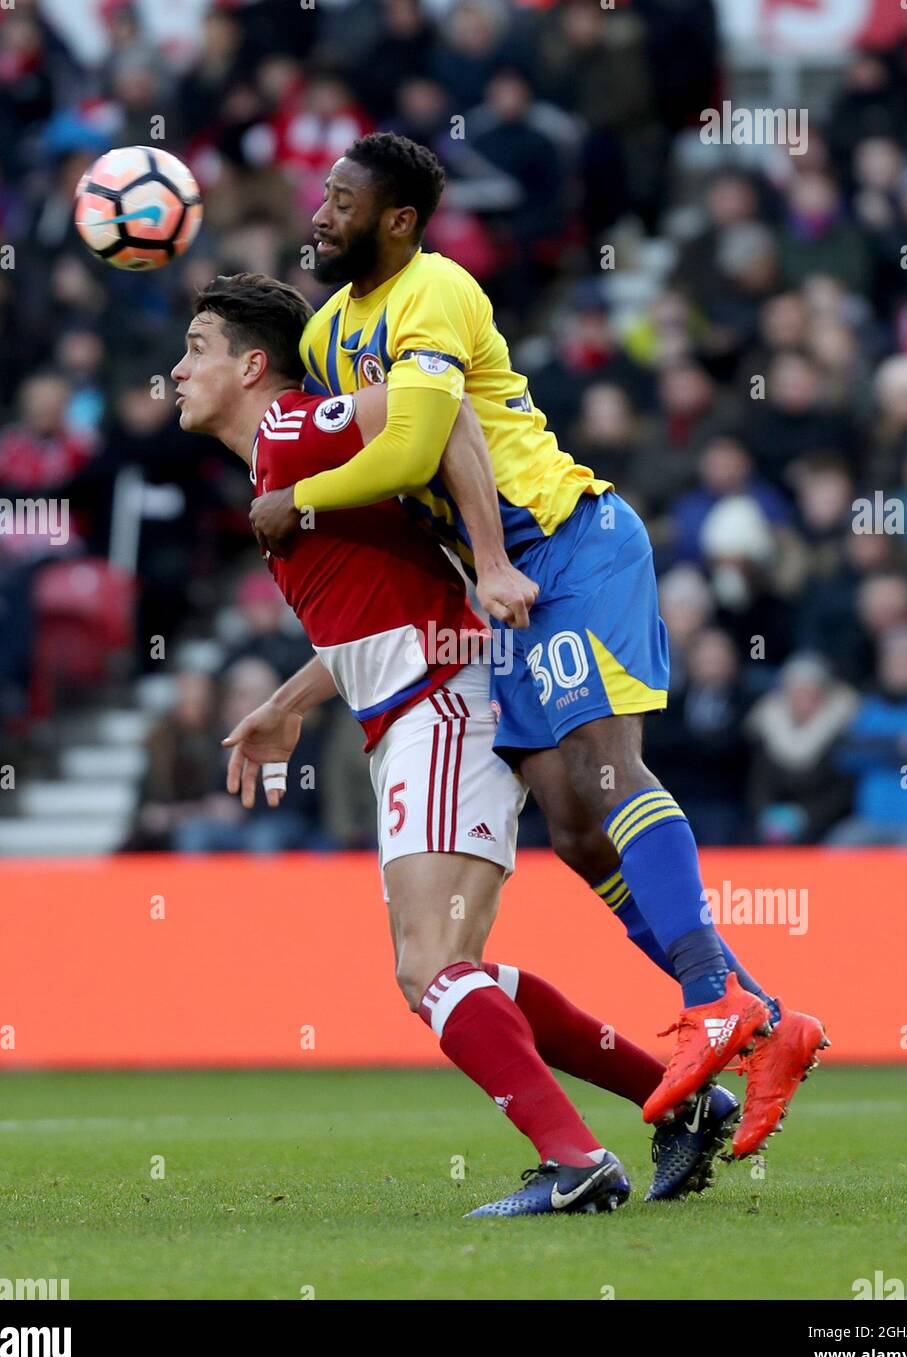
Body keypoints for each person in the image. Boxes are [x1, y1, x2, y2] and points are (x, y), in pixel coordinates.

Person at [248, 133, 828, 1160]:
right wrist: (307, 681)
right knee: (569, 824)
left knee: (608, 769)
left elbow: (429, 439)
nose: (320, 215)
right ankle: (770, 1021)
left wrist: (298, 497)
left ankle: (707, 995)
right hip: (507, 581)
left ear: (397, 220)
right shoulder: (335, 330)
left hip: (566, 542)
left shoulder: (433, 290)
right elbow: (427, 453)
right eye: (321, 197)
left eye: (341, 201)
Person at [172, 272, 740, 1214]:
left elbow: (442, 409)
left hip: (438, 708)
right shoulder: (280, 460)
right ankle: (671, 1103)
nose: (177, 370)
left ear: (252, 365)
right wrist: (291, 700)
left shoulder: (290, 430)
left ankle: (575, 1160)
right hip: (421, 703)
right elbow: (379, 621)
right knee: (454, 964)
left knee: (426, 967)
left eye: (196, 347)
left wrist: (489, 561)